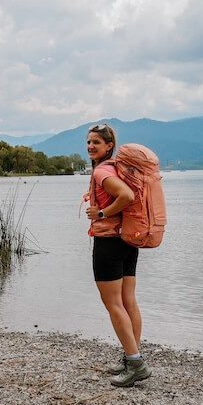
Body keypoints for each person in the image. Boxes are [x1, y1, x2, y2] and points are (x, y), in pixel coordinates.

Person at [84, 123, 151, 387]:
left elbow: (126, 195)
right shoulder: (115, 168)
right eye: (88, 143)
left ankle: (135, 364)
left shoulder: (102, 170)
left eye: (96, 143)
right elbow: (123, 195)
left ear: (109, 146)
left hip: (109, 243)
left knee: (114, 304)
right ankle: (131, 356)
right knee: (128, 301)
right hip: (127, 241)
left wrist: (101, 213)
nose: (90, 147)